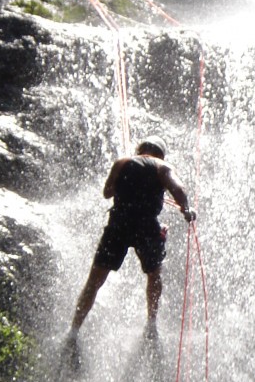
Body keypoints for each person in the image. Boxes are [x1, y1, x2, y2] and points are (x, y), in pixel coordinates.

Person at [68, 136, 196, 339]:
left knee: (95, 280)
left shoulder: (123, 162)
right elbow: (178, 189)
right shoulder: (162, 166)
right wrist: (186, 210)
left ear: (140, 150)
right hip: (146, 226)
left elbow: (107, 192)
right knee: (154, 274)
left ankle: (74, 329)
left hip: (119, 223)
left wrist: (128, 188)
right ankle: (151, 322)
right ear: (161, 154)